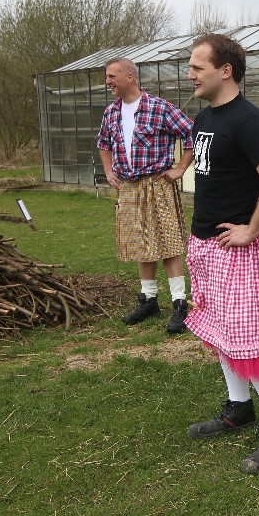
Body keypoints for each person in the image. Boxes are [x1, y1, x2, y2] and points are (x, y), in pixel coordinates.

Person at [182, 33, 259, 474]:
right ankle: (239, 408)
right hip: (207, 245)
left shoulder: (248, 121)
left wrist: (252, 229)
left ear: (225, 70)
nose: (190, 75)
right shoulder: (204, 118)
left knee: (253, 340)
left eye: (198, 67)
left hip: (240, 252)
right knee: (222, 332)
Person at [96, 57, 194, 333]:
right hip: (129, 186)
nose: (108, 81)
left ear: (129, 77)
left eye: (112, 76)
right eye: (107, 76)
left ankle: (179, 303)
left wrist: (180, 168)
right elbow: (103, 143)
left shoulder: (159, 108)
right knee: (141, 242)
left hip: (157, 183)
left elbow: (191, 133)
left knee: (168, 243)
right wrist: (108, 170)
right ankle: (148, 300)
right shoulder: (111, 113)